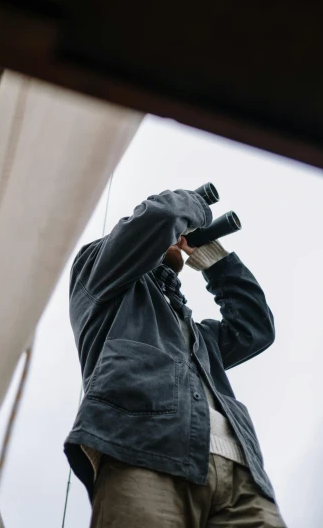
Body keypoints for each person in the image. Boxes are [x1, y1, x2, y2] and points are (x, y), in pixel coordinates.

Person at [64, 188, 285, 527]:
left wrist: (214, 259)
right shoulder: (99, 277)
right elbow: (162, 217)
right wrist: (194, 208)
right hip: (143, 452)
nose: (178, 239)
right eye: (170, 236)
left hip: (242, 478)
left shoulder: (194, 336)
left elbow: (254, 327)